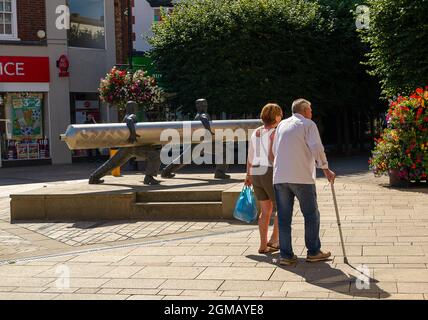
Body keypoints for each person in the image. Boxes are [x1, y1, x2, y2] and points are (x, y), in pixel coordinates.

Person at [272, 98, 336, 266]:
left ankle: (286, 255)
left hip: (280, 177)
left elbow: (274, 150)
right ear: (305, 110)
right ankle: (313, 251)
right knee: (311, 214)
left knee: (284, 219)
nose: (312, 112)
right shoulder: (308, 124)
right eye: (310, 109)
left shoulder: (281, 125)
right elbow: (316, 147)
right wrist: (326, 169)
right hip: (301, 177)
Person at [89, 101, 162, 186]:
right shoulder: (131, 115)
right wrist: (133, 133)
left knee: (113, 163)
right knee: (155, 154)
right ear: (133, 108)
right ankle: (149, 178)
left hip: (127, 146)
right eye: (135, 107)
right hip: (132, 146)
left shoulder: (125, 115)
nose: (136, 109)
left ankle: (94, 177)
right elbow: (129, 120)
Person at [245, 103, 282, 254]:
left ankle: (262, 245)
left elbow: (250, 156)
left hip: (256, 171)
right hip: (269, 170)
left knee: (265, 210)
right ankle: (274, 239)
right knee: (281, 207)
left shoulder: (257, 132)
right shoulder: (276, 132)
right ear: (277, 116)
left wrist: (248, 175)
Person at [161, 99, 230, 179]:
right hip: (200, 143)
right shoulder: (202, 114)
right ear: (198, 106)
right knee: (184, 159)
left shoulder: (199, 114)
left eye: (205, 104)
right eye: (203, 105)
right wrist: (208, 131)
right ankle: (166, 171)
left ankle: (166, 171)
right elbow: (204, 118)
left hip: (202, 143)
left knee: (184, 159)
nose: (205, 106)